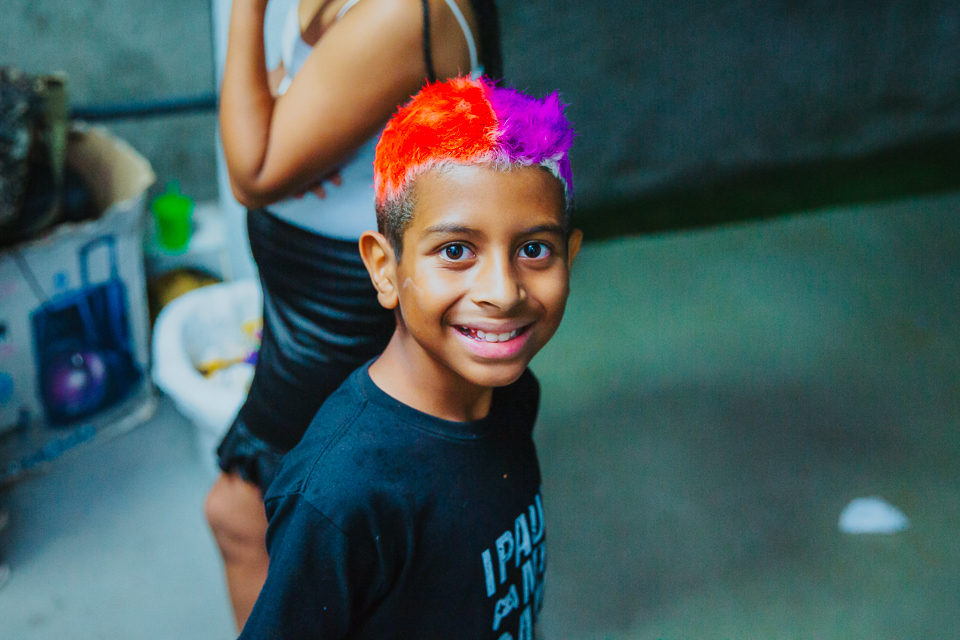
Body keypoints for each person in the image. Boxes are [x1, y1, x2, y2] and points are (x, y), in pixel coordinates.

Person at [238, 76, 582, 639]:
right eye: (456, 250)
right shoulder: (337, 494)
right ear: (384, 269)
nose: (503, 292)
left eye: (534, 249)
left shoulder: (514, 394)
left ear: (570, 256)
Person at [208, 0, 504, 629]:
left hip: (347, 313)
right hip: (309, 310)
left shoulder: (400, 12)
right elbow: (274, 108)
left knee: (243, 514)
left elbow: (254, 170)